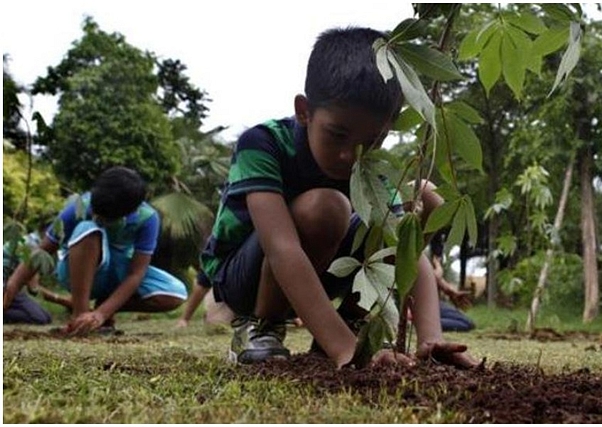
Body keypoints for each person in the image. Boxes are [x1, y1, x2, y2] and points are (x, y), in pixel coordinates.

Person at [199, 27, 478, 369]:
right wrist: (346, 351)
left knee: (428, 199)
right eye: (337, 135)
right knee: (327, 208)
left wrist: (431, 337)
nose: (350, 156)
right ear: (305, 111)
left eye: (372, 141)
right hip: (246, 279)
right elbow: (282, 249)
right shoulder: (264, 143)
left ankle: (346, 324)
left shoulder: (370, 166)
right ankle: (262, 327)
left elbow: (401, 245)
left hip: (319, 275)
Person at [3, 166, 188, 335]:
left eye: (105, 218)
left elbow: (136, 274)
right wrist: (11, 289)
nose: (98, 217)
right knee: (88, 230)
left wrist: (102, 312)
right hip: (76, 271)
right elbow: (41, 251)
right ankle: (80, 315)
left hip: (118, 273)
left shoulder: (147, 219)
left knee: (175, 294)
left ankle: (101, 309)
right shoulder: (81, 205)